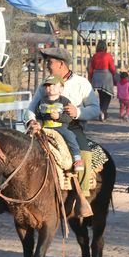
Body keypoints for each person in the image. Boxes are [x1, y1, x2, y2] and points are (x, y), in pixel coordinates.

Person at [25, 47, 100, 208]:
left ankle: (83, 196)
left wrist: (78, 111)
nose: (47, 66)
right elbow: (31, 108)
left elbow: (95, 108)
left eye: (50, 62)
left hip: (71, 126)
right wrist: (32, 121)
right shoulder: (45, 85)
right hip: (44, 126)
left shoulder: (81, 83)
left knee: (85, 153)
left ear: (61, 64)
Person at [88, 39, 117, 121]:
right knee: (108, 96)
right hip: (106, 77)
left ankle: (103, 113)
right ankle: (103, 111)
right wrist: (114, 75)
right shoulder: (108, 56)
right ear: (105, 47)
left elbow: (91, 69)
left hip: (96, 77)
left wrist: (90, 78)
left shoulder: (94, 56)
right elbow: (112, 68)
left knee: (101, 96)